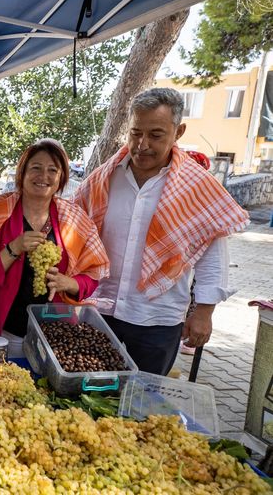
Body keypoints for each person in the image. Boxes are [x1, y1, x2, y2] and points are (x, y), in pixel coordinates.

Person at [73, 88, 249, 375]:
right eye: (135, 133)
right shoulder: (104, 178)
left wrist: (203, 312)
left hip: (157, 320)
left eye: (155, 135)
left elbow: (211, 255)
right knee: (90, 399)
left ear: (178, 132)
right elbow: (73, 227)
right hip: (101, 312)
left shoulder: (196, 186)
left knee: (144, 407)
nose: (142, 144)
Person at [0, 139, 110, 356]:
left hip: (54, 336)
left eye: (52, 170)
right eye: (36, 168)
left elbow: (92, 275)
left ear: (61, 177)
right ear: (22, 173)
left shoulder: (75, 219)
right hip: (2, 333)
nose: (43, 176)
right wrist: (13, 248)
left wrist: (68, 282)